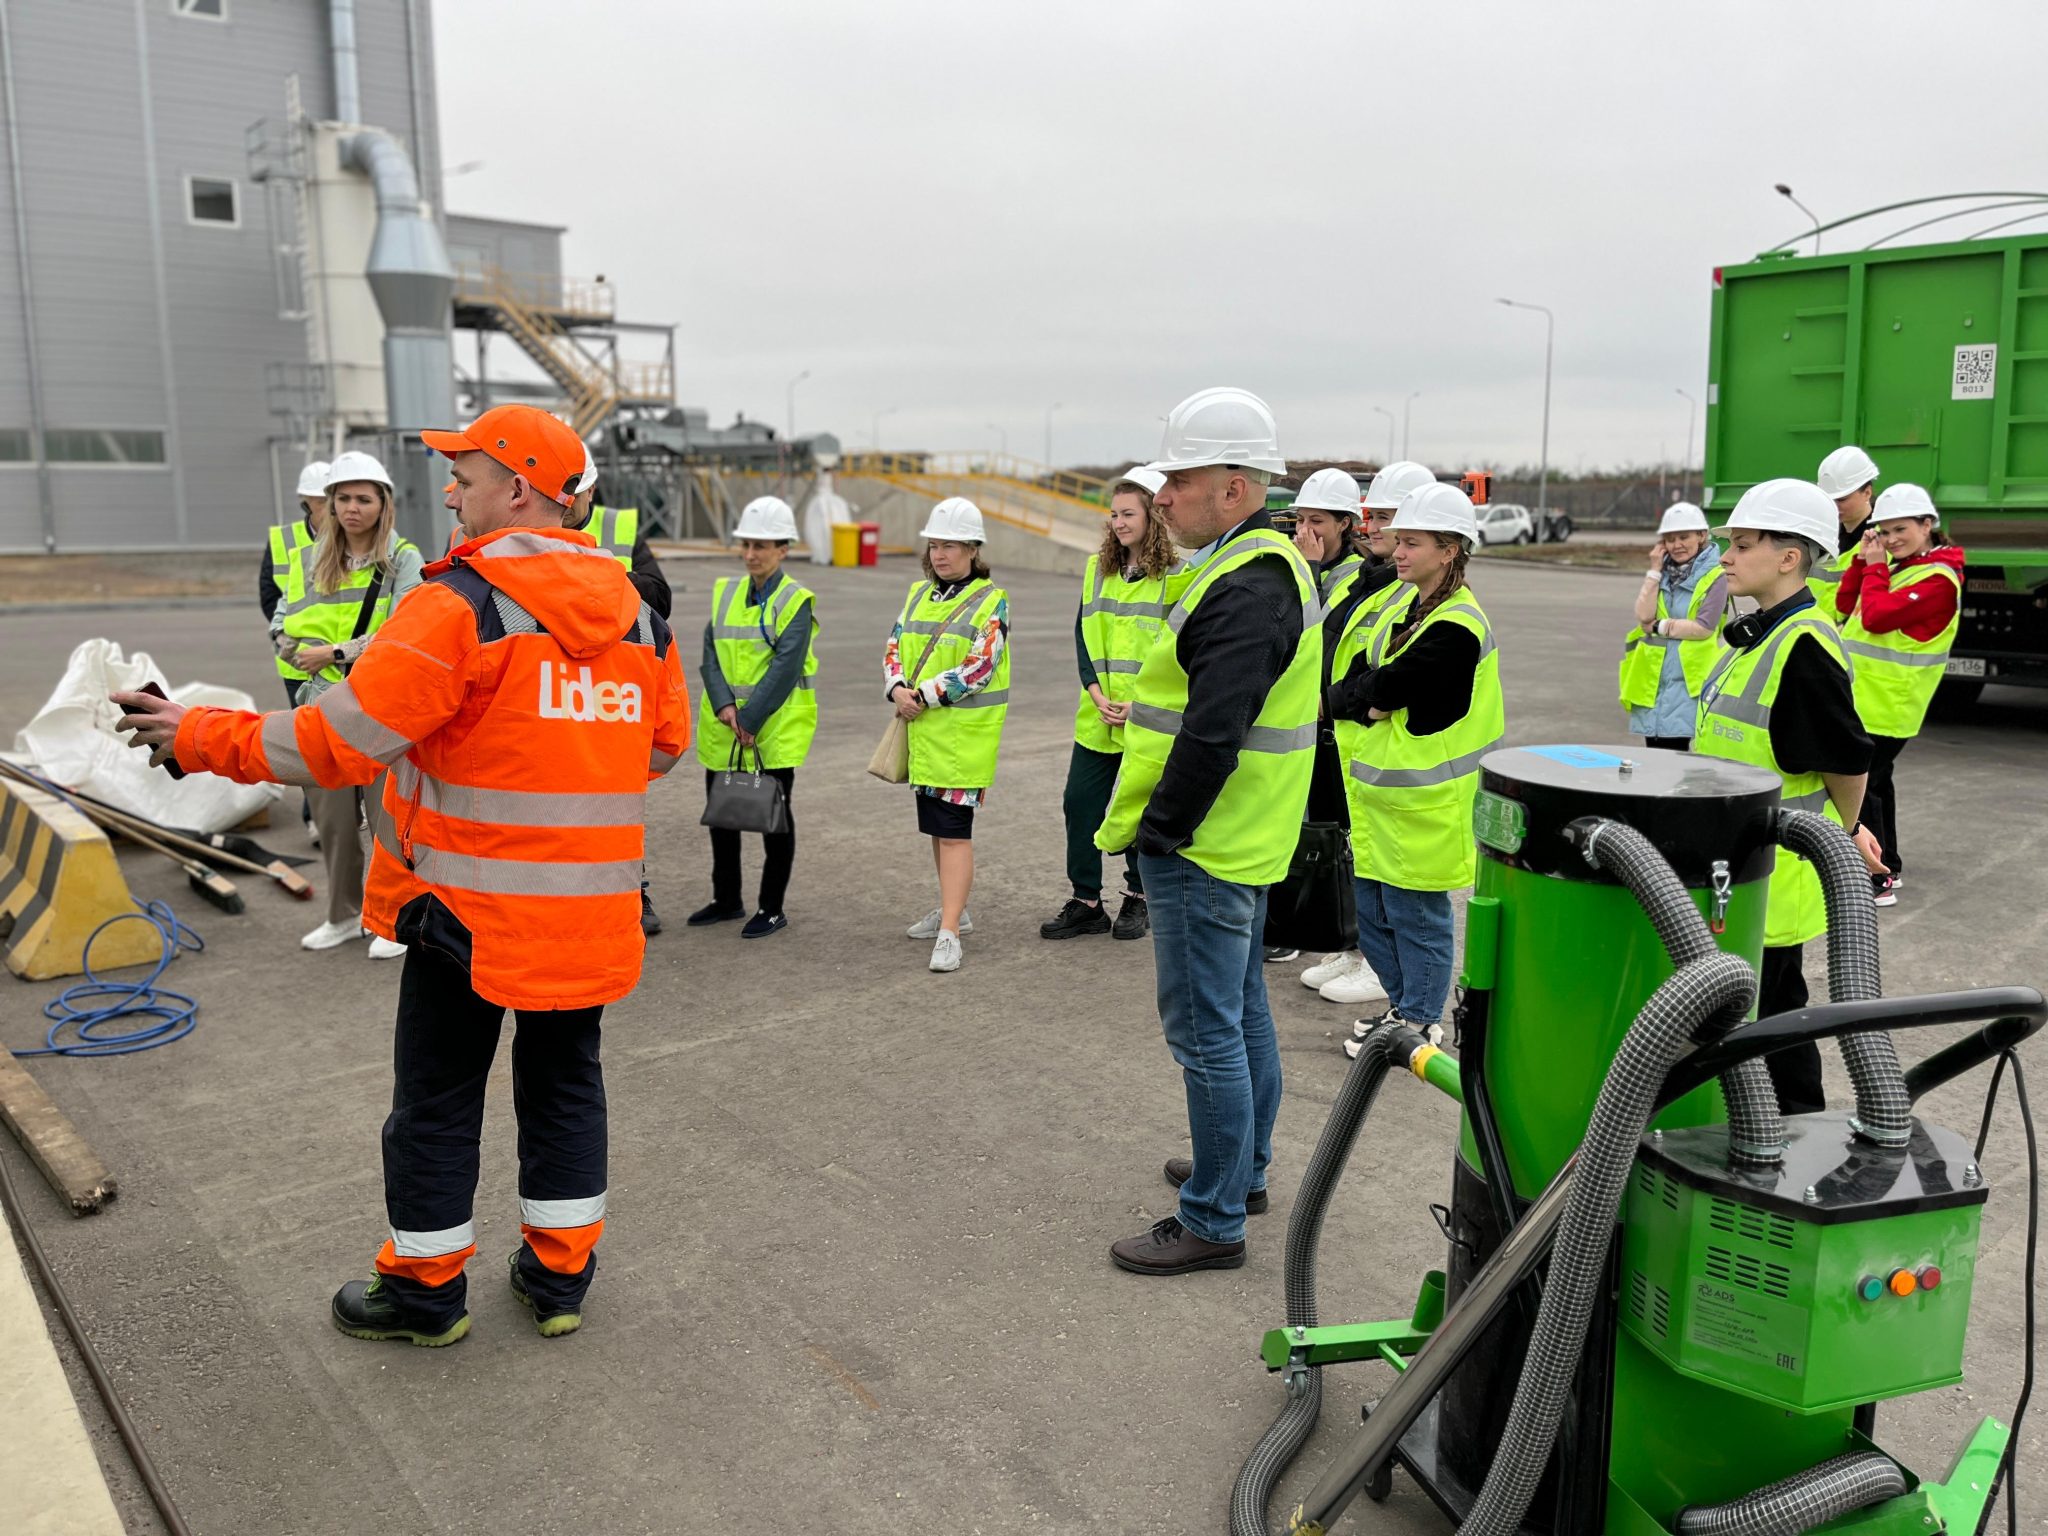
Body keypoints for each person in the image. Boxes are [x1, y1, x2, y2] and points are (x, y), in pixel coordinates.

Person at [114, 403, 689, 1346]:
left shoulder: (457, 605)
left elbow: (337, 741)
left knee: (437, 1104)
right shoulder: (642, 621)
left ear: (521, 490)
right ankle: (559, 1279)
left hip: (463, 911)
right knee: (566, 1090)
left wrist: (196, 734)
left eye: (464, 474)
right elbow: (662, 751)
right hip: (589, 914)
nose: (449, 490)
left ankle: (426, 1295)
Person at [1096, 386, 1321, 1277]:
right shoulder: (1253, 565)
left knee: (1205, 1032)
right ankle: (1243, 1169)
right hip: (1239, 838)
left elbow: (1213, 731)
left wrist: (1159, 834)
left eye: (1177, 483)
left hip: (1207, 844)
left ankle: (1215, 1216)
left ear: (1234, 486)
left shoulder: (1250, 583)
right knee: (1241, 1016)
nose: (1162, 501)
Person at [1694, 477, 1884, 1115]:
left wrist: (1845, 830)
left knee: (1772, 1020)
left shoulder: (1803, 644)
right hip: (1738, 868)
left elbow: (1849, 759)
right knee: (1756, 1013)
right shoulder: (1764, 634)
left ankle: (1799, 1131)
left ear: (1789, 557)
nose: (1726, 556)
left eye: (1742, 544)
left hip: (1770, 877)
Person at [1329, 484, 1504, 1061]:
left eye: (1411, 542)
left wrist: (1375, 695)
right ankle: (1402, 1008)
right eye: (1397, 540)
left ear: (1450, 549)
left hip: (1425, 804)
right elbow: (1361, 681)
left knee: (1417, 918)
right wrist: (1373, 697)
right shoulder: (1406, 607)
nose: (1396, 550)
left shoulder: (1456, 623)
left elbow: (1403, 693)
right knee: (1376, 912)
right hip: (1381, 797)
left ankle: (1423, 1021)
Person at [272, 451, 423, 960]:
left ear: (384, 504)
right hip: (321, 707)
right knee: (333, 820)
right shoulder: (307, 561)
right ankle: (341, 915)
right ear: (329, 505)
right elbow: (281, 626)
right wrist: (300, 650)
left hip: (380, 707)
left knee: (387, 818)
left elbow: (405, 631)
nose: (352, 508)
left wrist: (336, 653)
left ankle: (392, 919)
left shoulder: (403, 559)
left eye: (363, 498)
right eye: (343, 498)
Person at [1298, 459, 1435, 1001]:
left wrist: (1350, 700)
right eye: (1371, 515)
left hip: (1376, 741)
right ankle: (1355, 949)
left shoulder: (1411, 590)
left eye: (1385, 516)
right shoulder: (1372, 579)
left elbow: (1381, 678)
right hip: (1346, 732)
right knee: (1350, 848)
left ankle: (1379, 967)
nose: (1374, 527)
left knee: (1385, 865)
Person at [1041, 465, 1179, 943]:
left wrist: (1139, 704)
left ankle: (1139, 898)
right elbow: (1084, 635)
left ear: (1152, 517)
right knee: (1080, 803)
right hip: (1098, 712)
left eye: (1128, 513)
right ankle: (1086, 901)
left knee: (1140, 808)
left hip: (1149, 716)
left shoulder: (1177, 576)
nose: (1119, 523)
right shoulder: (1097, 570)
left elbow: (1180, 649)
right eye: (1113, 514)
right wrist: (1096, 692)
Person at [885, 497, 1010, 973]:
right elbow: (894, 645)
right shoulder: (918, 594)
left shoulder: (991, 600)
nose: (940, 555)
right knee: (938, 833)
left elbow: (979, 667)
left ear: (974, 549)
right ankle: (953, 909)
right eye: (935, 545)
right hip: (925, 736)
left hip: (961, 740)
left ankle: (951, 932)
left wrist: (922, 693)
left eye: (951, 546)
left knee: (955, 835)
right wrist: (896, 687)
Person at [691, 495, 817, 938]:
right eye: (746, 544)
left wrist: (750, 718)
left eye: (761, 546)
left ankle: (771, 907)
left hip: (770, 732)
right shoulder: (726, 593)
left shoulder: (795, 600)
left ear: (783, 550)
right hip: (726, 728)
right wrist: (726, 707)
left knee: (774, 822)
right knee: (722, 816)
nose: (750, 554)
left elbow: (786, 666)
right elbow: (709, 653)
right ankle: (726, 899)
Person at [1835, 483, 1963, 906]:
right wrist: (1862, 561)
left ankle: (1876, 881)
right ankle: (1889, 863)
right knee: (1877, 784)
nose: (1891, 540)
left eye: (1900, 529)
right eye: (1883, 532)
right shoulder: (1902, 566)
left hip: (1890, 704)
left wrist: (1875, 566)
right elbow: (1845, 600)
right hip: (1869, 699)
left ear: (1928, 525)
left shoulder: (1939, 579)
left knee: (1862, 789)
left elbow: (1873, 617)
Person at [567, 451, 673, 936]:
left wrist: (596, 580)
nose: (567, 503)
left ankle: (633, 888)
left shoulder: (619, 528)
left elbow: (658, 594)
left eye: (576, 493)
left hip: (609, 684)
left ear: (591, 490)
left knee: (616, 798)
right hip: (545, 682)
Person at [1618, 502, 1728, 750]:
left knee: (1677, 760)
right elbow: (1643, 616)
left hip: (1690, 680)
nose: (1676, 544)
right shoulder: (1663, 573)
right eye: (1669, 539)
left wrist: (1659, 627)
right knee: (1655, 756)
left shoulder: (1716, 576)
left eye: (1683, 537)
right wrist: (1654, 571)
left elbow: (1703, 628)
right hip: (1656, 680)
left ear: (1702, 535)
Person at [262, 458, 329, 842]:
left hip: (346, 661)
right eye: (322, 500)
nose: (332, 507)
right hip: (298, 663)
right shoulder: (283, 540)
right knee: (308, 744)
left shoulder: (360, 535)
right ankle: (315, 816)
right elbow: (270, 595)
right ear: (306, 501)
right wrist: (293, 642)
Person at [1811, 444, 1879, 616]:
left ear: (1867, 493)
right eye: (1829, 499)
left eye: (1841, 499)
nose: (1834, 507)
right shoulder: (1819, 534)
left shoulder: (1882, 541)